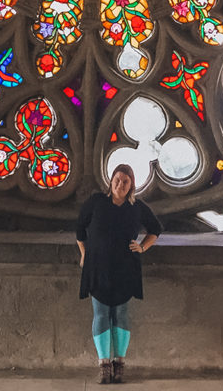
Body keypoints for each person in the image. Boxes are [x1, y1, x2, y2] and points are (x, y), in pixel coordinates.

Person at [76, 163, 161, 384]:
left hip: (125, 267)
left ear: (131, 185)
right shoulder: (96, 202)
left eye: (125, 181)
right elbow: (79, 229)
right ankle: (104, 365)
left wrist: (142, 247)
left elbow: (156, 229)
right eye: (117, 179)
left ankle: (119, 364)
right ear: (111, 180)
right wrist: (85, 254)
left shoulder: (137, 207)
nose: (120, 184)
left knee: (121, 313)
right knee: (101, 313)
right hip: (98, 266)